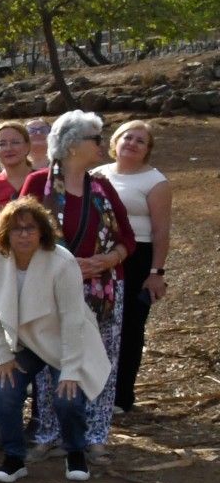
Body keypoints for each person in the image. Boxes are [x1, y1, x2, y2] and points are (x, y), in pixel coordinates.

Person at [23, 111, 132, 463]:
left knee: (102, 361)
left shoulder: (102, 188)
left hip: (102, 291)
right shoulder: (37, 185)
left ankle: (95, 437)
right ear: (71, 146)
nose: (102, 146)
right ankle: (47, 433)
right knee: (50, 362)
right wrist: (67, 267)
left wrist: (108, 260)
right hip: (52, 290)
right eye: (95, 139)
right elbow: (21, 236)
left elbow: (127, 237)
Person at [0, 198, 108, 483]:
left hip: (65, 341)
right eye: (16, 228)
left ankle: (75, 452)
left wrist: (71, 369)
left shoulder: (61, 261)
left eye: (30, 228)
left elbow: (73, 319)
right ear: (5, 232)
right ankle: (14, 458)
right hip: (22, 343)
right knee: (5, 393)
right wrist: (3, 355)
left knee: (68, 399)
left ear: (42, 231)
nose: (24, 234)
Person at [95, 119, 172, 414]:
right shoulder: (97, 174)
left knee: (129, 327)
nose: (132, 143)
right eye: (128, 137)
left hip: (138, 258)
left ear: (148, 149)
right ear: (115, 142)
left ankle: (121, 396)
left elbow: (161, 232)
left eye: (141, 141)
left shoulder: (155, 182)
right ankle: (96, 388)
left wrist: (156, 273)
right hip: (100, 256)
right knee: (100, 325)